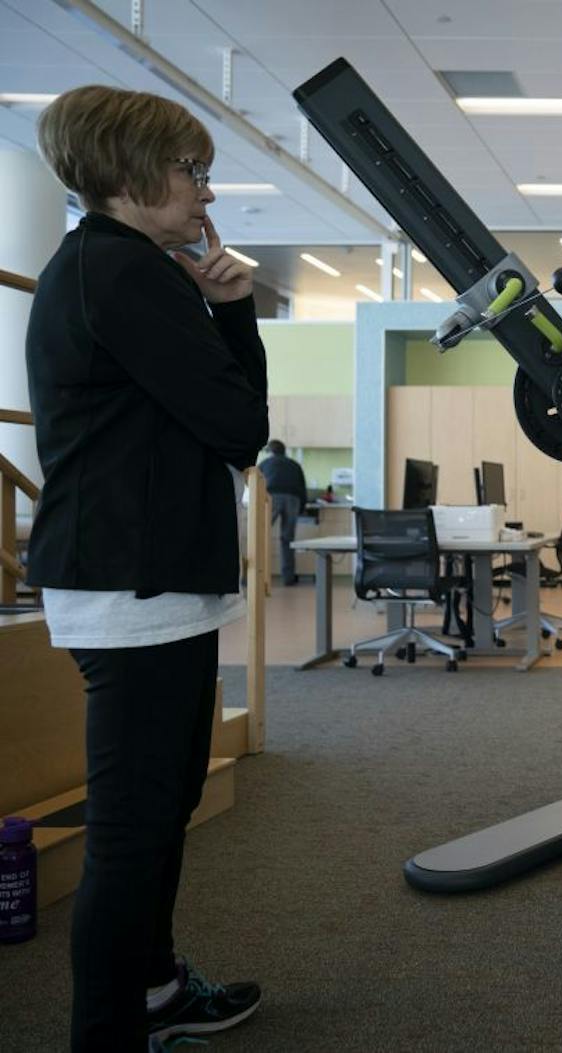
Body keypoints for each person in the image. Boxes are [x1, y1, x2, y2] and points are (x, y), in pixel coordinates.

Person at [26, 85, 268, 1052]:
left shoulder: (118, 266)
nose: (204, 196)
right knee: (133, 833)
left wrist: (226, 310)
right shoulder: (120, 272)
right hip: (131, 591)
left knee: (163, 811)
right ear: (127, 172)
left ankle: (156, 988)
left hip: (146, 586)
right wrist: (238, 314)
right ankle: (106, 1031)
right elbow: (239, 427)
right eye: (190, 171)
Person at [258, 438, 308, 585]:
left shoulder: (265, 464)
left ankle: (253, 577)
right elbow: (302, 489)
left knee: (260, 537)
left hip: (271, 497)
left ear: (270, 452)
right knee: (287, 539)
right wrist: (301, 508)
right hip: (293, 499)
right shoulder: (295, 465)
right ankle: (288, 578)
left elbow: (255, 485)